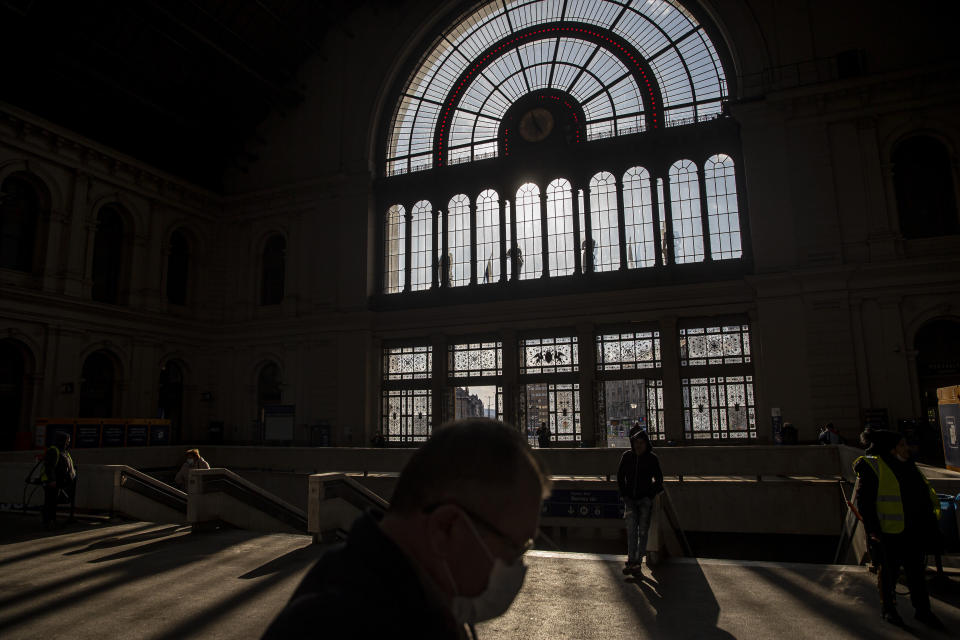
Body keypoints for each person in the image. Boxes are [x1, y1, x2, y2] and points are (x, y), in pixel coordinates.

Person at [262, 418, 551, 639]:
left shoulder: (429, 601)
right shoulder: (327, 625)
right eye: (515, 548)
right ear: (446, 528)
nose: (518, 568)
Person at [854, 428, 946, 630]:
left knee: (916, 574)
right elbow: (865, 503)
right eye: (902, 445)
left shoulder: (910, 466)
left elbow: (923, 497)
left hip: (913, 530)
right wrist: (873, 530)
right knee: (888, 574)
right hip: (888, 533)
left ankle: (923, 611)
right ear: (891, 448)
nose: (907, 448)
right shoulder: (874, 467)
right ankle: (889, 610)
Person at [617, 425, 663, 577]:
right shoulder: (627, 456)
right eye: (636, 442)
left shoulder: (651, 458)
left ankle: (637, 561)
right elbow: (620, 476)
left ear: (645, 443)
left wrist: (649, 495)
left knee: (642, 531)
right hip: (630, 500)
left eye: (641, 442)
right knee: (632, 531)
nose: (638, 445)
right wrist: (624, 494)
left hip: (644, 500)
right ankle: (632, 561)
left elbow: (659, 480)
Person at [41, 431, 77, 529]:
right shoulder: (54, 451)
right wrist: (52, 480)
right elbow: (49, 467)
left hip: (60, 482)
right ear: (62, 440)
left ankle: (52, 521)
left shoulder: (64, 451)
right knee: (50, 502)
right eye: (67, 440)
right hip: (51, 482)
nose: (68, 442)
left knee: (54, 502)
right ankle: (48, 522)